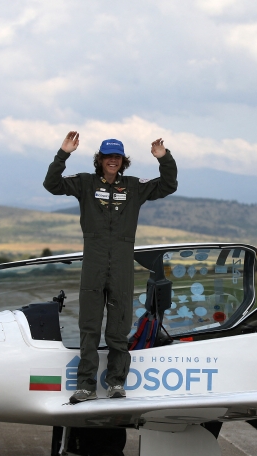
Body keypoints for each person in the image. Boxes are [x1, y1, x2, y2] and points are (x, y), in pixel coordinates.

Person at [43, 132, 178, 403]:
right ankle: (86, 386)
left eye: (117, 157)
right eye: (108, 157)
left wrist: (164, 158)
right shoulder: (85, 182)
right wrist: (63, 153)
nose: (112, 161)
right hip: (93, 264)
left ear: (122, 161)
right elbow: (52, 184)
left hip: (121, 266)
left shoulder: (134, 186)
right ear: (100, 159)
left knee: (118, 328)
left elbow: (168, 185)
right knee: (89, 327)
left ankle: (116, 383)